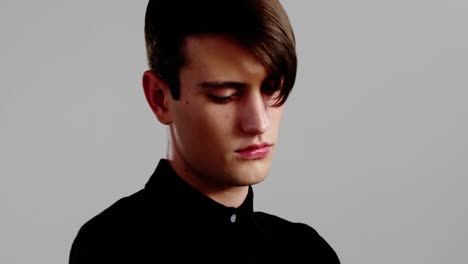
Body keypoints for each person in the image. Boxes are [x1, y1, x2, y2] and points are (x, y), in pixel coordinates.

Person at [69, 0, 340, 263]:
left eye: (272, 88)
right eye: (225, 95)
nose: (259, 123)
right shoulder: (110, 247)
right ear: (159, 99)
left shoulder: (308, 252)